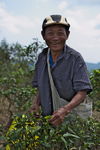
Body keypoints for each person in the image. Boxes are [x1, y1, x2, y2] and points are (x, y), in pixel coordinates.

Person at [31, 14, 92, 126]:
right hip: (48, 119)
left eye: (60, 33)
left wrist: (65, 110)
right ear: (43, 35)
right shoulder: (42, 57)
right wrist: (36, 103)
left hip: (70, 119)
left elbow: (82, 92)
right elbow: (42, 86)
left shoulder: (75, 58)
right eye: (50, 33)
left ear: (67, 35)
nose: (55, 38)